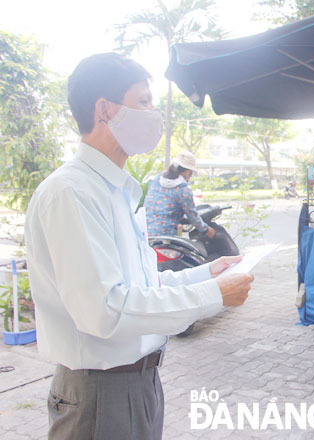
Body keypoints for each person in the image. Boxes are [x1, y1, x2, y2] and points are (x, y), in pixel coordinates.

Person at [24, 53, 253, 440]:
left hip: (138, 382)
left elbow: (140, 289)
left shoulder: (114, 190)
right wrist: (212, 296)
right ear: (105, 110)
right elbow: (105, 309)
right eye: (143, 102)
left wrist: (204, 275)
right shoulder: (72, 193)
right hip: (100, 392)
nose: (154, 114)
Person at [144, 150, 216, 238]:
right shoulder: (183, 189)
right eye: (190, 173)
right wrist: (206, 229)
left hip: (146, 232)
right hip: (166, 236)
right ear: (186, 172)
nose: (191, 176)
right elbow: (192, 216)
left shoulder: (157, 179)